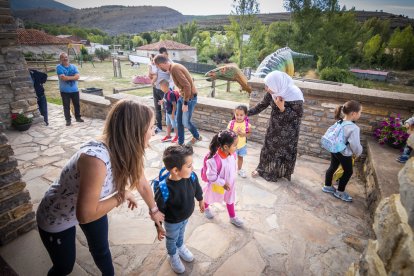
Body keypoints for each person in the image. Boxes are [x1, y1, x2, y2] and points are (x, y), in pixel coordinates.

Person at [36, 100, 165, 276]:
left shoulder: (127, 149)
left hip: (93, 206)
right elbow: (86, 215)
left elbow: (142, 183)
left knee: (101, 251)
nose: (153, 132)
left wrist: (154, 210)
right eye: (151, 127)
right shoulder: (95, 160)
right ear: (135, 130)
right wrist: (122, 195)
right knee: (64, 267)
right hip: (58, 215)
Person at [154, 145, 204, 274]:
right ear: (175, 170)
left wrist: (200, 199)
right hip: (172, 221)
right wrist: (158, 226)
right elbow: (158, 211)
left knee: (181, 233)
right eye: (189, 166)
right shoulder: (164, 188)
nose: (192, 168)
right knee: (171, 239)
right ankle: (173, 255)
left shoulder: (191, 177)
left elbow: (197, 188)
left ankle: (180, 246)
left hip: (185, 217)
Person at [248, 70, 304, 182]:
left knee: (282, 152)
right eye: (266, 85)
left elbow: (298, 116)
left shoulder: (294, 94)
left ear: (277, 84)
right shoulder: (272, 93)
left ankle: (278, 172)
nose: (266, 88)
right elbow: (261, 106)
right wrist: (246, 113)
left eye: (268, 86)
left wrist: (282, 107)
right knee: (268, 149)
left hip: (289, 132)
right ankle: (261, 169)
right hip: (274, 128)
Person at [154, 54, 202, 146]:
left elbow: (187, 85)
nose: (159, 69)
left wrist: (185, 103)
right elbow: (185, 82)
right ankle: (180, 143)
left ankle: (197, 136)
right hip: (182, 97)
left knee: (186, 122)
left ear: (163, 63)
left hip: (189, 99)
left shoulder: (175, 68)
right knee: (178, 121)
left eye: (159, 66)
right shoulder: (173, 68)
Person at [322, 100, 363, 202]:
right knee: (348, 171)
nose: (360, 114)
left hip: (334, 149)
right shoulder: (354, 128)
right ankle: (340, 192)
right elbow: (355, 145)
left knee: (333, 166)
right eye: (360, 112)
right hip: (344, 153)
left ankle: (327, 186)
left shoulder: (339, 122)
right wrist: (358, 153)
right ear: (353, 114)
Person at [203, 129, 244, 227]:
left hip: (230, 184)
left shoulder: (232, 154)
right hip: (218, 184)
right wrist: (222, 183)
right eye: (235, 145)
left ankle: (232, 217)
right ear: (226, 146)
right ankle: (206, 208)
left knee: (230, 199)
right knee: (209, 196)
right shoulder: (214, 160)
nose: (236, 147)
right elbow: (211, 176)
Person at [56, 52, 84, 126]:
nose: (65, 58)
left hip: (75, 90)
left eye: (66, 57)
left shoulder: (73, 66)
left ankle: (78, 117)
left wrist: (68, 77)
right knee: (66, 106)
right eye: (63, 57)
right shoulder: (59, 67)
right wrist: (73, 77)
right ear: (60, 59)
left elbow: (78, 77)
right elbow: (63, 78)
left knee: (77, 105)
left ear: (68, 57)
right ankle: (68, 120)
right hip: (65, 91)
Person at [227, 105, 251, 178]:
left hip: (242, 146)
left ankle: (239, 170)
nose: (239, 117)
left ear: (245, 115)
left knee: (240, 158)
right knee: (231, 159)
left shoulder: (247, 124)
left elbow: (249, 134)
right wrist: (234, 133)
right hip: (232, 146)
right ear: (234, 114)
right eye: (237, 114)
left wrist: (243, 134)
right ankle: (229, 170)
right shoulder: (231, 123)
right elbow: (227, 133)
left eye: (241, 115)